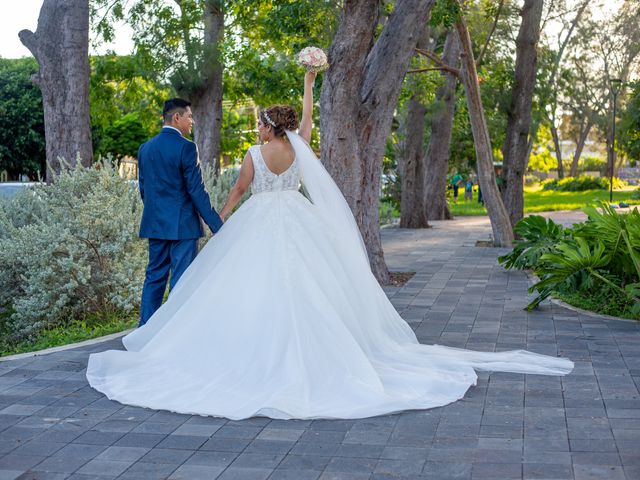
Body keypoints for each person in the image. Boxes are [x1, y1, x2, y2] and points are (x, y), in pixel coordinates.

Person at [86, 71, 572, 421]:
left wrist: (222, 223)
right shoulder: (299, 148)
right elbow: (308, 122)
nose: (256, 130)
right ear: (288, 127)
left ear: (266, 127)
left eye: (258, 123)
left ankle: (166, 335)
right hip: (297, 223)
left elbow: (235, 192)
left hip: (253, 222)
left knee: (232, 286)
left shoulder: (253, 153)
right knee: (309, 284)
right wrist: (309, 82)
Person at [137, 98, 223, 326]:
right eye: (190, 116)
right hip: (183, 227)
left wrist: (158, 215)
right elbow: (197, 191)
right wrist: (218, 225)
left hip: (155, 225)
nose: (192, 121)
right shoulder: (186, 147)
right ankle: (173, 333)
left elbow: (144, 190)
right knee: (182, 281)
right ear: (177, 118)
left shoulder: (145, 149)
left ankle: (145, 331)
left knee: (154, 278)